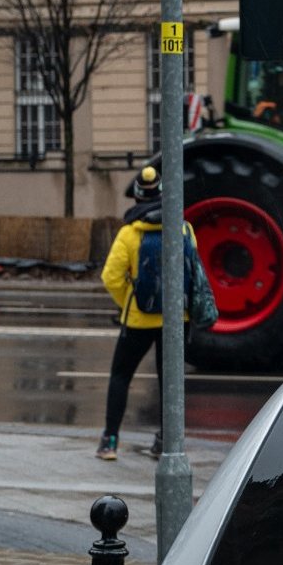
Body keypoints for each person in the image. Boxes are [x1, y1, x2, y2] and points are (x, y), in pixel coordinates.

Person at [97, 165, 199, 461]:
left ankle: (110, 441)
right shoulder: (183, 228)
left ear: (138, 197)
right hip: (176, 321)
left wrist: (129, 301)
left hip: (138, 320)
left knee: (121, 375)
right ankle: (166, 441)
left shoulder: (129, 233)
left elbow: (111, 277)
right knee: (169, 381)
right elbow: (192, 270)